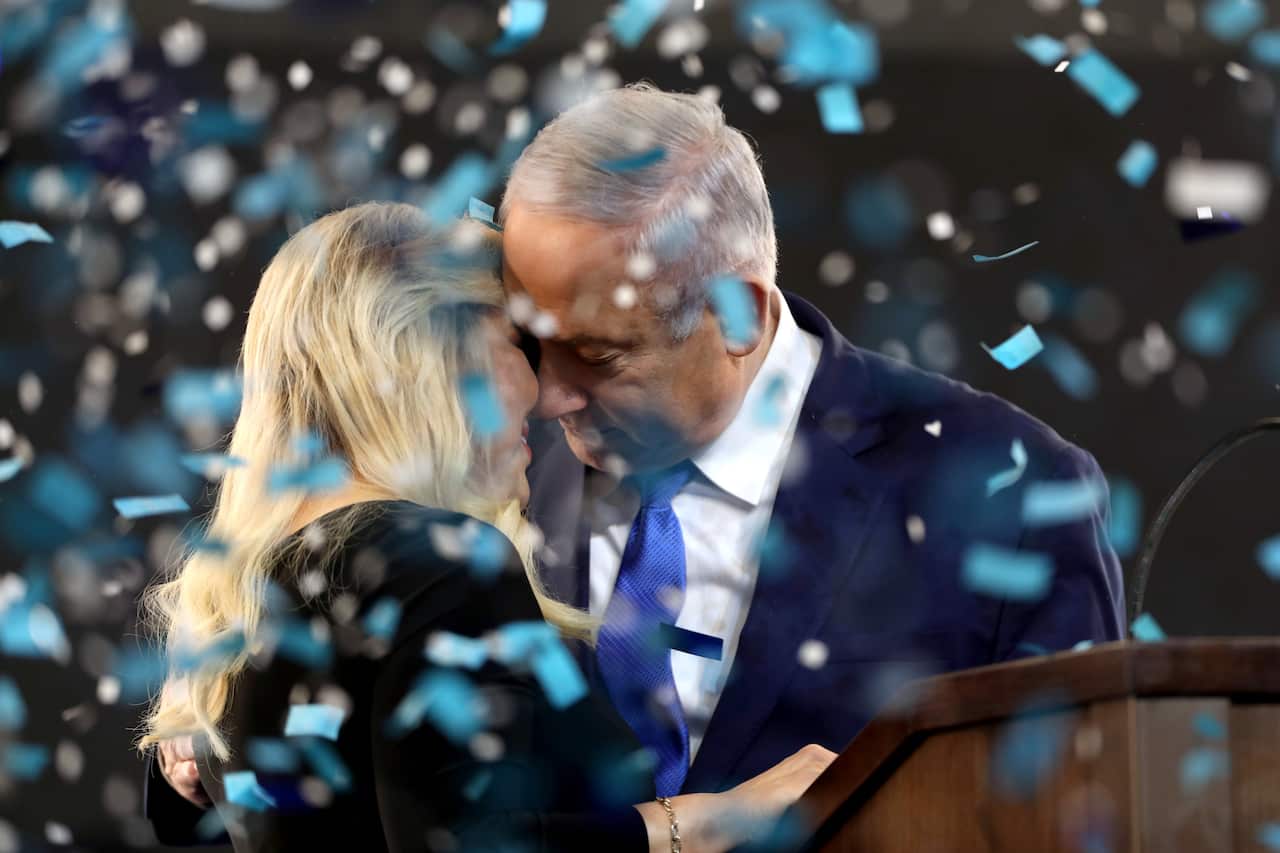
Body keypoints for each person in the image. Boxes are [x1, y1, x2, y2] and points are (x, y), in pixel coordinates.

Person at [151, 83, 1126, 833]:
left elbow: (1083, 818)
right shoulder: (472, 482)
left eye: (600, 356)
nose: (547, 396)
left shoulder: (1006, 491)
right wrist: (211, 733)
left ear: (736, 315)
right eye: (532, 343)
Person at [137, 201, 835, 852]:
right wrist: (704, 822)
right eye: (519, 346)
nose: (542, 397)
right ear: (432, 357)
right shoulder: (440, 561)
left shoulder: (255, 592)